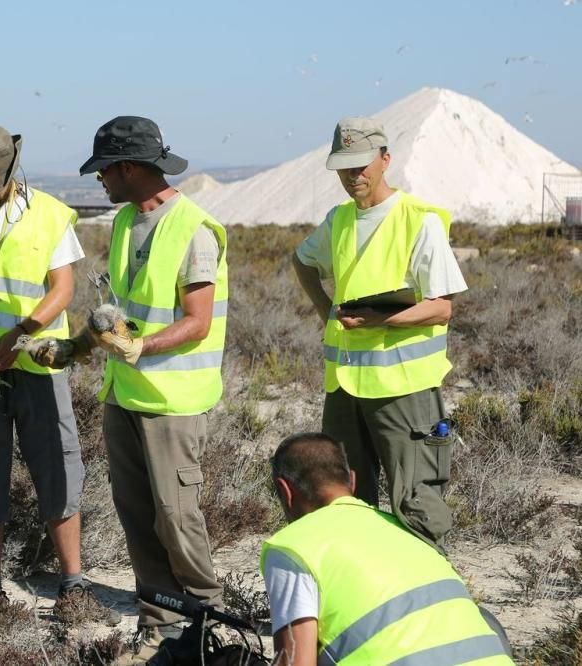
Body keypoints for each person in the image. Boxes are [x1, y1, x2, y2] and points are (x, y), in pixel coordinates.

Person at [0, 126, 120, 625]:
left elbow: (63, 288)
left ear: (13, 170)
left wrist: (21, 335)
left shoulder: (50, 214)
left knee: (58, 465)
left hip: (36, 363)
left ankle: (73, 586)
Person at [71, 116, 228, 663]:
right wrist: (77, 348)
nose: (100, 182)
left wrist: (143, 349)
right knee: (138, 515)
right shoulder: (123, 224)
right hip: (125, 396)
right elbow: (120, 311)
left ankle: (208, 623)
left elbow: (198, 320)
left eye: (105, 171)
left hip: (173, 404)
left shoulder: (194, 229)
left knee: (176, 515)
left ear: (131, 168)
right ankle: (160, 628)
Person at [291, 117, 468, 550]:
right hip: (345, 388)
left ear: (385, 159)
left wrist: (378, 320)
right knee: (345, 501)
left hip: (404, 392)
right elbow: (302, 261)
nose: (355, 175)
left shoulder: (418, 220)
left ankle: (429, 601)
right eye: (344, 167)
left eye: (362, 164)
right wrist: (325, 310)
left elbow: (442, 307)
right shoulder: (339, 220)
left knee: (416, 505)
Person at [261, 432, 514, 666]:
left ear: (286, 491)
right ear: (352, 480)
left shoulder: (295, 546)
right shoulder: (405, 530)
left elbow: (296, 661)